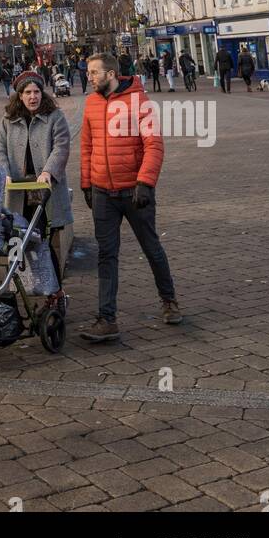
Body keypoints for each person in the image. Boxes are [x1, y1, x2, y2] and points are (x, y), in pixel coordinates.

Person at [79, 53, 181, 341]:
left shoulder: (139, 102)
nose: (90, 77)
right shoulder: (91, 104)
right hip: (102, 193)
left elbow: (154, 145)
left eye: (94, 72)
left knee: (151, 246)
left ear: (111, 74)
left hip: (134, 192)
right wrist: (87, 184)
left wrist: (145, 183)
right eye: (88, 72)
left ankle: (169, 300)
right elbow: (86, 147)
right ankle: (106, 319)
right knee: (106, 255)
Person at [0, 70, 72, 298]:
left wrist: (48, 171)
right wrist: (4, 173)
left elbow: (61, 146)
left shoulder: (54, 117)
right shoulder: (8, 120)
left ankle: (54, 293)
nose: (32, 96)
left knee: (43, 242)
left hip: (45, 191)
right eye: (27, 92)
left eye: (36, 91)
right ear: (19, 96)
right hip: (18, 193)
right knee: (17, 241)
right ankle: (15, 291)